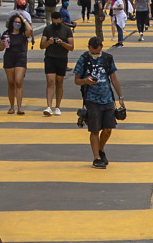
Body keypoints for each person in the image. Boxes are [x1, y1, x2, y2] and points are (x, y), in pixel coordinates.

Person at [74, 32, 121, 166]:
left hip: (107, 98)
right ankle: (96, 158)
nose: (95, 54)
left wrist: (120, 97)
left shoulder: (107, 58)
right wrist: (85, 81)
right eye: (92, 52)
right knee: (94, 129)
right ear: (89, 47)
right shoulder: (83, 59)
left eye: (97, 52)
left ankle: (100, 150)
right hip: (91, 99)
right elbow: (76, 80)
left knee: (108, 128)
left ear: (101, 47)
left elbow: (114, 78)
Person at [41, 14, 74, 114]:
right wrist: (49, 42)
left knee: (59, 82)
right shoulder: (47, 29)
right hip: (50, 57)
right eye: (53, 20)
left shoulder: (67, 30)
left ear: (61, 19)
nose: (55, 23)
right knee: (50, 82)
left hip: (62, 58)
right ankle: (48, 106)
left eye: (57, 20)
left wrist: (62, 43)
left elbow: (71, 47)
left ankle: (57, 106)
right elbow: (42, 45)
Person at [0, 13, 31, 113]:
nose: (17, 24)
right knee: (11, 83)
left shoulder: (23, 34)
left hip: (20, 58)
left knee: (18, 82)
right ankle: (12, 106)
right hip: (9, 57)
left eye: (19, 22)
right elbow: (1, 48)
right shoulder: (7, 33)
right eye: (15, 22)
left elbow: (30, 30)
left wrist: (24, 19)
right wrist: (3, 43)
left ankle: (19, 107)